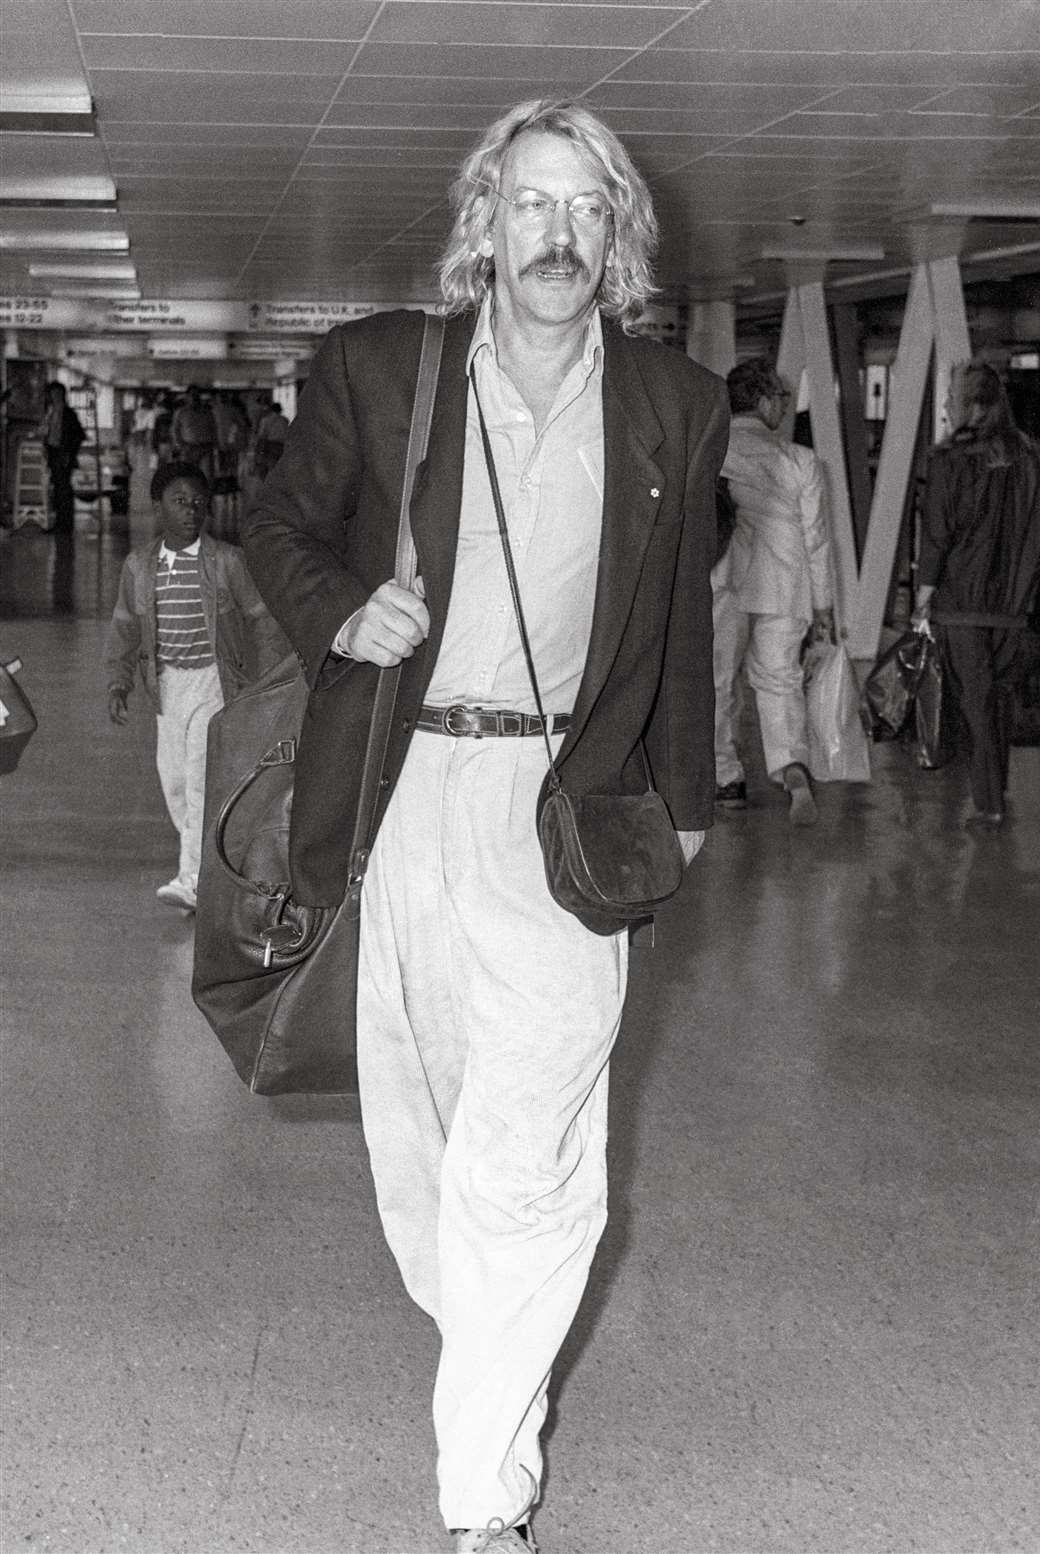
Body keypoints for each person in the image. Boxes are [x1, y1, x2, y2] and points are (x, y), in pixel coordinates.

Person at [242, 97, 728, 1554]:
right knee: (428, 1159)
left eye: (586, 210)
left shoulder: (672, 407)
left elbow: (678, 634)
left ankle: (484, 1507)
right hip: (406, 798)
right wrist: (348, 608)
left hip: (562, 818)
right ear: (484, 228)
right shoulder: (386, 371)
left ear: (619, 240)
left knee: (531, 1162)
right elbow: (278, 528)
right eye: (531, 205)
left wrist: (687, 814)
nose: (557, 235)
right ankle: (493, 1351)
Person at [105, 462, 288, 912]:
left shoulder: (226, 562)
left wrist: (261, 682)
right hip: (166, 686)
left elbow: (262, 620)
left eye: (198, 503)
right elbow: (125, 626)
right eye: (180, 502)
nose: (191, 511)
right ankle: (208, 866)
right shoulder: (139, 567)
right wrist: (118, 681)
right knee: (175, 783)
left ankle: (191, 880)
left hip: (214, 681)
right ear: (156, 508)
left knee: (199, 779)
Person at [913, 360, 1040, 829]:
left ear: (972, 405)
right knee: (998, 698)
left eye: (950, 399)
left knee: (975, 703)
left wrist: (923, 595)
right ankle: (997, 788)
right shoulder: (1039, 459)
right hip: (1015, 606)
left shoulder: (947, 461)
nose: (943, 406)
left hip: (962, 604)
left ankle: (989, 802)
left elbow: (936, 536)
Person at [710, 357, 834, 825]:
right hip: (785, 587)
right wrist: (823, 606)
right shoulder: (800, 461)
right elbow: (817, 539)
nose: (784, 407)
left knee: (719, 681)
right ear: (763, 401)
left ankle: (726, 777)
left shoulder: (714, 452)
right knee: (779, 681)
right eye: (781, 398)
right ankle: (791, 770)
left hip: (724, 582)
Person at [40, 381, 85, 535]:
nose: (52, 397)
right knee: (59, 490)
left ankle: (65, 525)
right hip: (54, 453)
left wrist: (69, 453)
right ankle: (60, 523)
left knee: (64, 490)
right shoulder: (52, 412)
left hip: (63, 455)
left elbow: (79, 435)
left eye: (55, 394)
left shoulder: (68, 414)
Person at [170, 385, 218, 483]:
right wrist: (181, 445)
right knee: (188, 477)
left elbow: (214, 428)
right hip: (189, 449)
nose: (194, 397)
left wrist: (215, 444)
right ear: (187, 397)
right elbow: (175, 431)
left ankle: (205, 496)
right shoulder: (181, 412)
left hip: (205, 448)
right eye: (192, 395)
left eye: (196, 395)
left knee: (207, 478)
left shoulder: (207, 412)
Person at [252, 400, 289, 480]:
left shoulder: (265, 420)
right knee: (279, 466)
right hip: (282, 446)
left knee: (268, 466)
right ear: (280, 410)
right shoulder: (285, 420)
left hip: (270, 445)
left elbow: (262, 436)